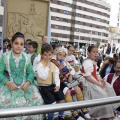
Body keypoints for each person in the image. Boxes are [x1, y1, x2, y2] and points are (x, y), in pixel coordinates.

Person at [0, 32, 44, 120]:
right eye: (16, 43)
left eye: (21, 44)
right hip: (9, 86)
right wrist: (7, 82)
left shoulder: (27, 57)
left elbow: (31, 73)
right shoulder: (5, 56)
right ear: (11, 43)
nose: (19, 46)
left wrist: (28, 82)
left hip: (25, 87)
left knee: (37, 101)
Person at [52, 47, 91, 119]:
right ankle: (74, 112)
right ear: (57, 54)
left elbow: (72, 69)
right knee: (68, 91)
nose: (62, 57)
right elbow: (53, 74)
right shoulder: (53, 62)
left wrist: (70, 75)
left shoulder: (65, 62)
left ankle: (83, 109)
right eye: (60, 55)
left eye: (64, 56)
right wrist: (59, 69)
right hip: (59, 81)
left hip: (66, 80)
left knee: (78, 89)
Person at [81, 45, 119, 119]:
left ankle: (112, 109)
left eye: (97, 52)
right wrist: (99, 84)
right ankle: (100, 115)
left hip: (95, 81)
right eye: (93, 52)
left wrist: (101, 80)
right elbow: (88, 76)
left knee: (108, 88)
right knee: (102, 95)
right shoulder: (87, 62)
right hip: (90, 83)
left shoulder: (92, 62)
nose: (96, 54)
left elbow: (96, 74)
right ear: (88, 53)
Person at [36, 43, 65, 120]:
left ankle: (61, 116)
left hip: (52, 86)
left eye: (49, 55)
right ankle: (50, 118)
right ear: (41, 55)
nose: (47, 57)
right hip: (44, 87)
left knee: (62, 99)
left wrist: (58, 85)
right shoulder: (40, 65)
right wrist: (47, 67)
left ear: (52, 54)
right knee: (52, 104)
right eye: (45, 55)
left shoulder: (53, 65)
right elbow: (43, 76)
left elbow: (56, 76)